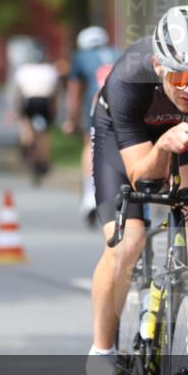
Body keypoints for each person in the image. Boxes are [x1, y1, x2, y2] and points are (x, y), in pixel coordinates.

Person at [88, 6, 188, 371]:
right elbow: (143, 179)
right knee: (126, 243)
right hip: (123, 134)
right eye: (179, 77)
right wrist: (162, 147)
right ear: (159, 67)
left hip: (186, 132)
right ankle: (100, 355)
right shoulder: (128, 78)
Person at [67, 26, 121, 226]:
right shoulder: (117, 52)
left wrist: (72, 119)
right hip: (122, 104)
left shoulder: (80, 56)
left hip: (96, 105)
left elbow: (74, 90)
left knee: (90, 147)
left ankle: (90, 195)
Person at [13, 43, 59, 179]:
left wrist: (18, 110)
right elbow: (55, 93)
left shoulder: (23, 70)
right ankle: (45, 160)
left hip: (29, 102)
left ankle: (26, 145)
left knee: (27, 126)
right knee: (45, 133)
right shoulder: (50, 70)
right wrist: (54, 110)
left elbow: (18, 93)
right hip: (45, 102)